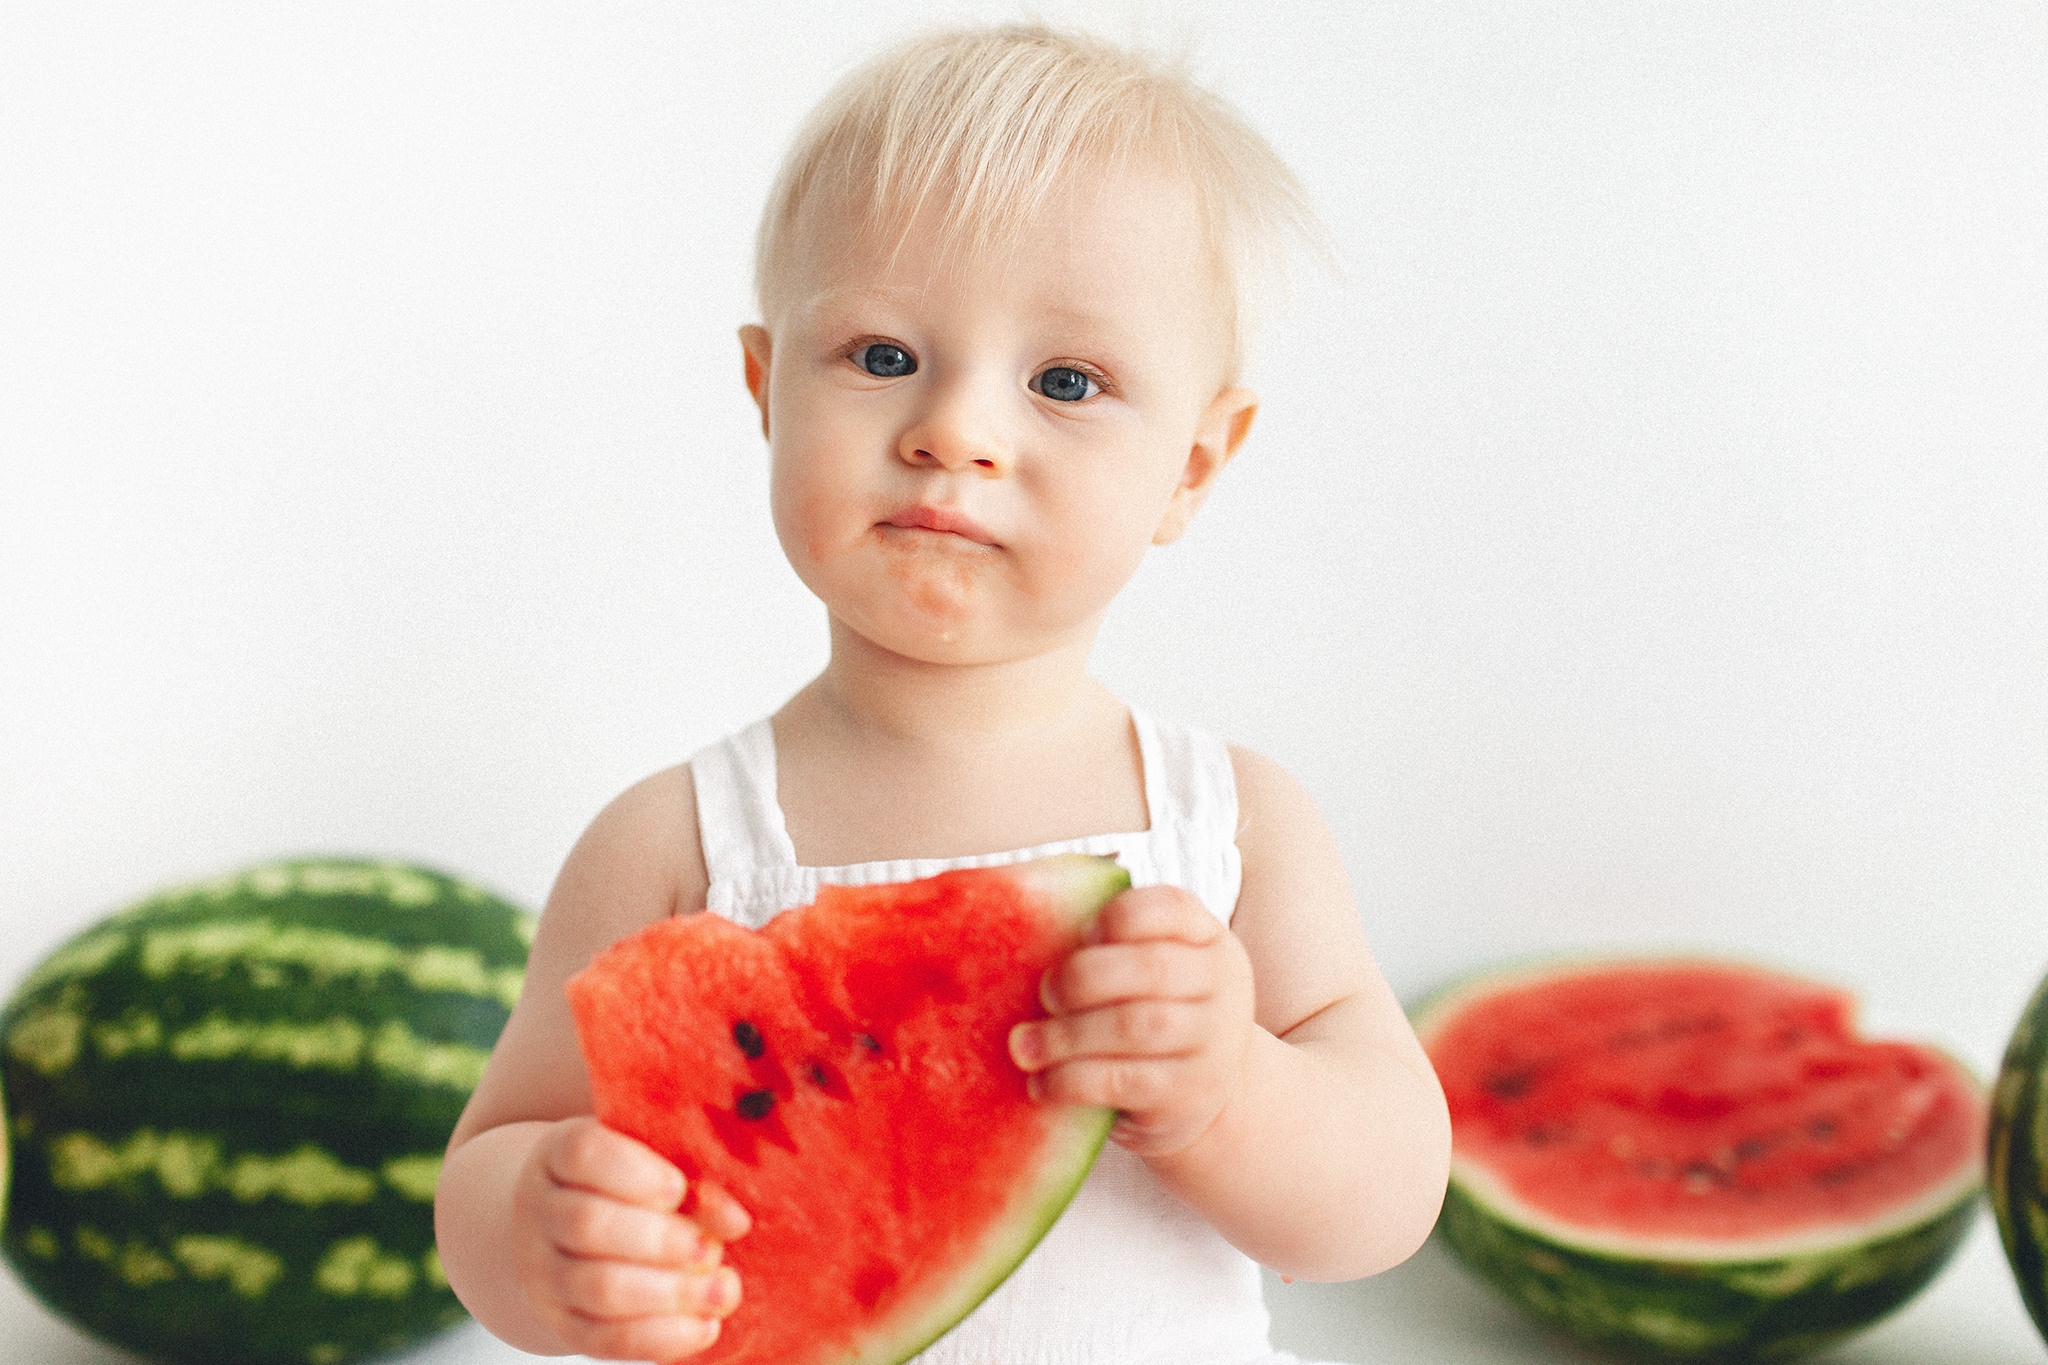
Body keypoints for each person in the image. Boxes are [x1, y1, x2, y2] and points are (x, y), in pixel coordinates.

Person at [435, 22, 1451, 1365]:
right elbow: (491, 1162)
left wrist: (1234, 1091)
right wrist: (541, 1229)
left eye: (1066, 381)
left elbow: (1385, 1202)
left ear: (1195, 467)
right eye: (881, 356)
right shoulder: (672, 840)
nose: (956, 429)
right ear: (765, 387)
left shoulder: (1236, 825)